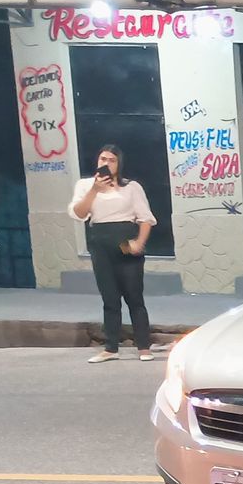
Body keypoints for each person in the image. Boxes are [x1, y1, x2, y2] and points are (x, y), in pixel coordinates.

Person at [68, 144, 157, 363]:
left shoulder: (131, 187)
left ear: (119, 164)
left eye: (111, 160)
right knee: (109, 297)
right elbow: (79, 213)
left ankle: (143, 346)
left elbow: (146, 218)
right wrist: (94, 190)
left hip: (125, 241)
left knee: (134, 296)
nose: (106, 163)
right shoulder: (86, 185)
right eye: (102, 159)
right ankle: (111, 348)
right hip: (100, 242)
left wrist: (139, 242)